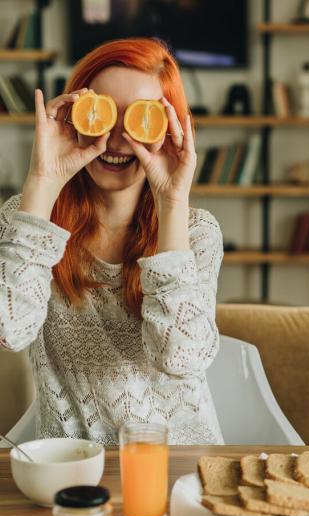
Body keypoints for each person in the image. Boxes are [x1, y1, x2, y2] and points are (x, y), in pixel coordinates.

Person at [0, 38, 224, 445]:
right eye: (102, 114)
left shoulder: (196, 231)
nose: (119, 139)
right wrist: (42, 182)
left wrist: (172, 201)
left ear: (171, 128)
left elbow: (180, 357)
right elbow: (6, 330)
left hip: (177, 466)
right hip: (71, 466)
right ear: (73, 112)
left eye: (141, 119)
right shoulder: (27, 215)